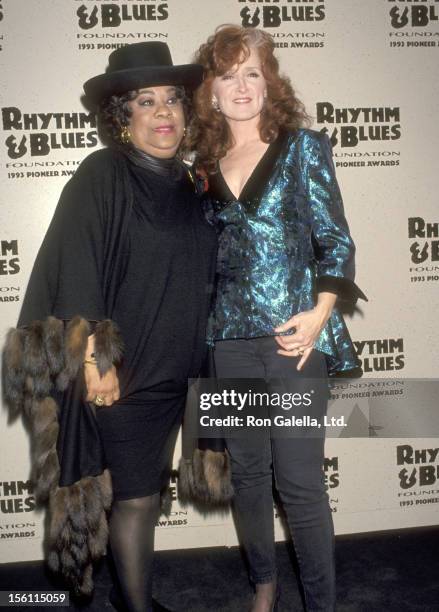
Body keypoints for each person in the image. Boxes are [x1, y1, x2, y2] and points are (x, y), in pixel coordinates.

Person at [2, 42, 220, 612]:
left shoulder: (194, 185)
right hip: (123, 375)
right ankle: (137, 606)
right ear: (123, 118)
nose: (164, 112)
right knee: (137, 500)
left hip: (180, 373)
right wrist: (97, 360)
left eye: (173, 99)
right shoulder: (103, 174)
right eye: (146, 102)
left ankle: (132, 599)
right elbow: (77, 268)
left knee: (144, 494)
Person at [189, 25, 367, 612]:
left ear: (271, 82)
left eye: (253, 73)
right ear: (210, 90)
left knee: (300, 483)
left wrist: (319, 316)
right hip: (230, 343)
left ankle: (321, 604)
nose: (241, 86)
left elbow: (336, 242)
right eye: (228, 75)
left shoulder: (302, 148)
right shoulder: (202, 165)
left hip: (294, 341)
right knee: (246, 476)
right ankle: (263, 586)